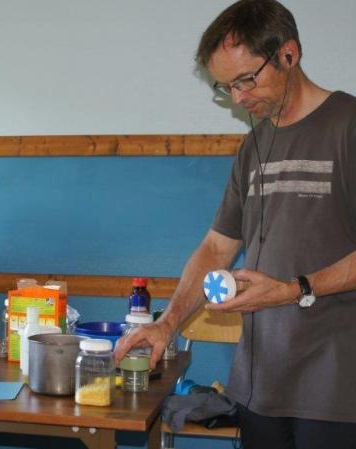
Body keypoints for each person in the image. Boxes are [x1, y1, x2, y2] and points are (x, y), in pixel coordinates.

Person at [113, 1, 356, 448]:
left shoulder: (348, 125)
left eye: (246, 79)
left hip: (337, 389)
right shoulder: (253, 146)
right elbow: (217, 247)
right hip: (260, 386)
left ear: (289, 54)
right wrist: (168, 324)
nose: (239, 98)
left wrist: (294, 288)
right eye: (227, 87)